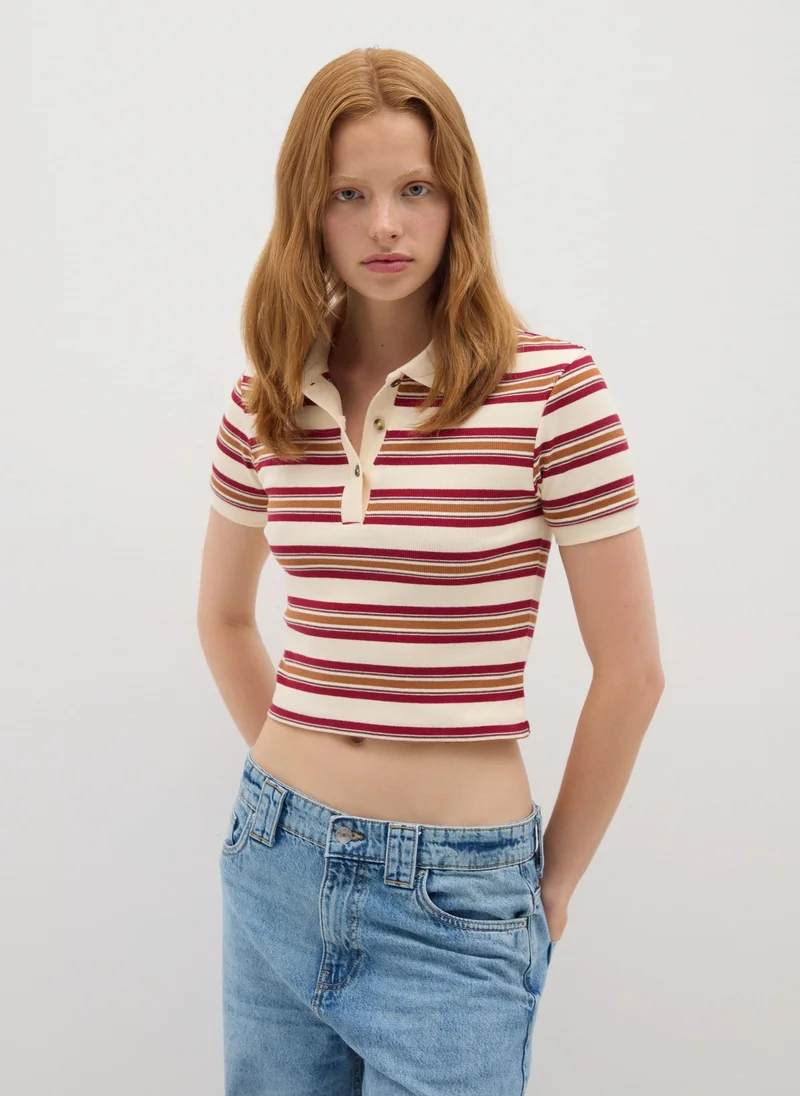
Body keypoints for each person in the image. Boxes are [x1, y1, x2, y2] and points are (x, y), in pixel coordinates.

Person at [198, 45, 664, 1096]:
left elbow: (632, 671)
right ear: (307, 212)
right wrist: (293, 790)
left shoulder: (551, 389)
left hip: (458, 893)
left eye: (414, 189)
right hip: (274, 864)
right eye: (348, 195)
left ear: (458, 201)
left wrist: (550, 886)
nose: (385, 226)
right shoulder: (265, 397)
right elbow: (222, 617)